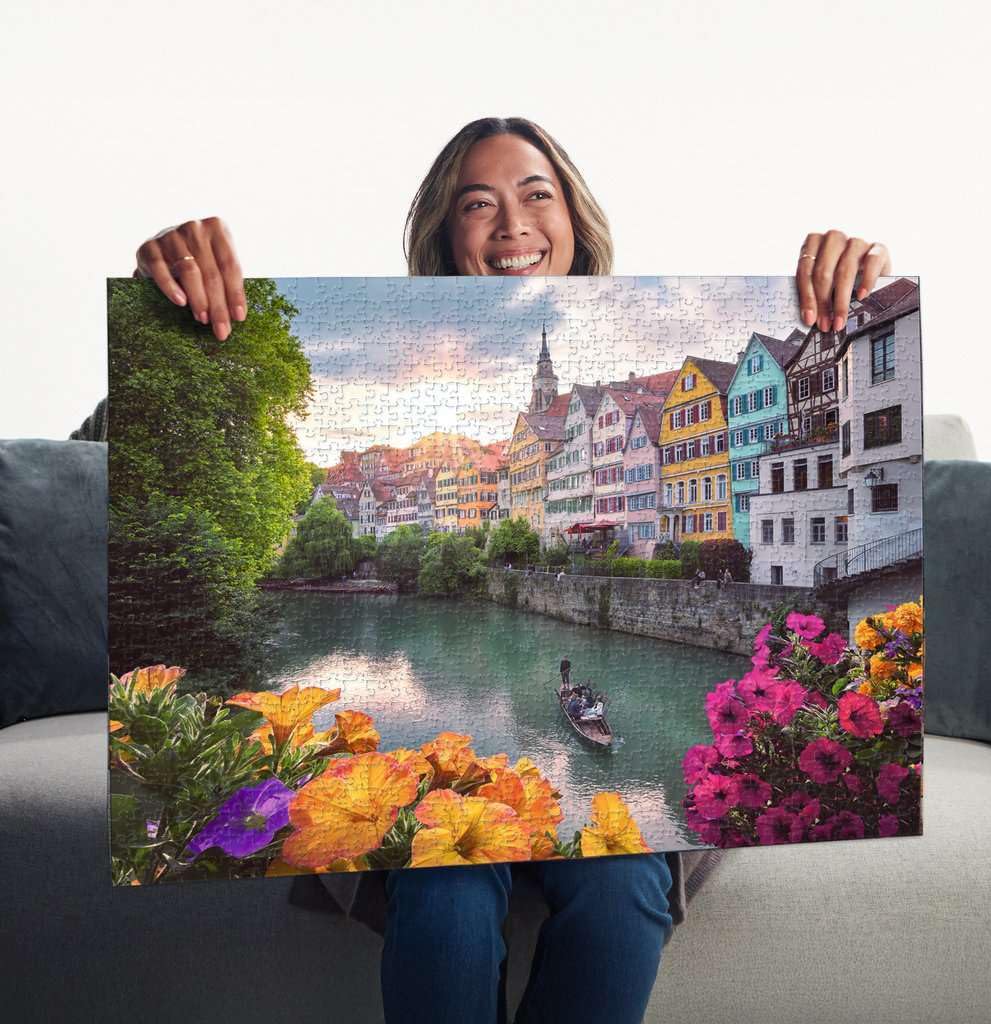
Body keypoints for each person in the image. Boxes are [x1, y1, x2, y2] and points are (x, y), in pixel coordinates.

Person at [125, 114, 891, 1024]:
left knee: (622, 883)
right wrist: (162, 316)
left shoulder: (606, 381)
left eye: (536, 195)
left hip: (610, 846)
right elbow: (116, 456)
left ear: (576, 219)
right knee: (445, 885)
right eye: (476, 204)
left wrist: (852, 283)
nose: (512, 224)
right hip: (440, 826)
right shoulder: (469, 386)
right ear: (442, 237)